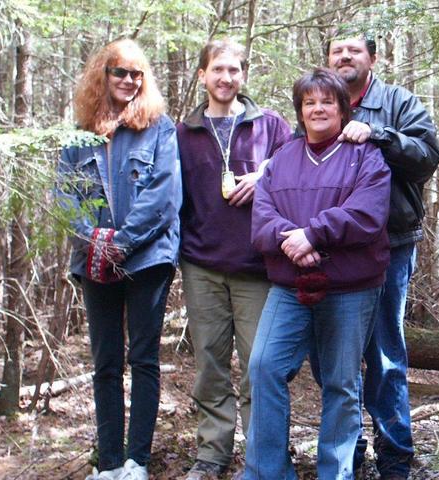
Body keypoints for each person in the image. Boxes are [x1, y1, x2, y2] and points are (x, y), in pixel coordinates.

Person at [244, 68, 391, 479]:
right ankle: (266, 472)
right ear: (300, 111)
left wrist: (313, 234)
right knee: (264, 367)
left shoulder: (367, 156)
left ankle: (335, 472)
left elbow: (368, 215)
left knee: (341, 384)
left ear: (343, 109)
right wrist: (290, 239)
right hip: (289, 287)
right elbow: (262, 219)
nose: (318, 109)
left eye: (327, 101)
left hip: (350, 289)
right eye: (310, 102)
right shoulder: (282, 160)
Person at [57, 39, 182, 480]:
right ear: (102, 76)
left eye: (136, 74)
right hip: (94, 262)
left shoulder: (159, 128)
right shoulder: (78, 134)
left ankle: (137, 461)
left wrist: (122, 244)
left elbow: (164, 197)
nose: (129, 81)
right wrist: (94, 242)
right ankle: (109, 463)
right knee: (105, 362)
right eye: (120, 72)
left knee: (143, 359)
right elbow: (64, 197)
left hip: (147, 258)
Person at [325, 31, 439, 479]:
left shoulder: (399, 102)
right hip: (333, 247)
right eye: (337, 51)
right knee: (335, 357)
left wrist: (379, 135)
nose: (345, 57)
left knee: (385, 353)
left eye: (354, 50)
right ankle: (347, 451)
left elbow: (427, 157)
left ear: (372, 58)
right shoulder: (321, 102)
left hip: (390, 244)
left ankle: (395, 456)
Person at [176, 38, 291, 479]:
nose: (226, 78)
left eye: (234, 70)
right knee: (210, 363)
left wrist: (264, 179)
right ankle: (212, 452)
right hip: (201, 264)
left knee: (259, 367)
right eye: (217, 70)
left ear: (245, 75)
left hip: (256, 267)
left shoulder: (271, 126)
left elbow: (295, 173)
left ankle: (262, 457)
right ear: (202, 74)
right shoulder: (184, 133)